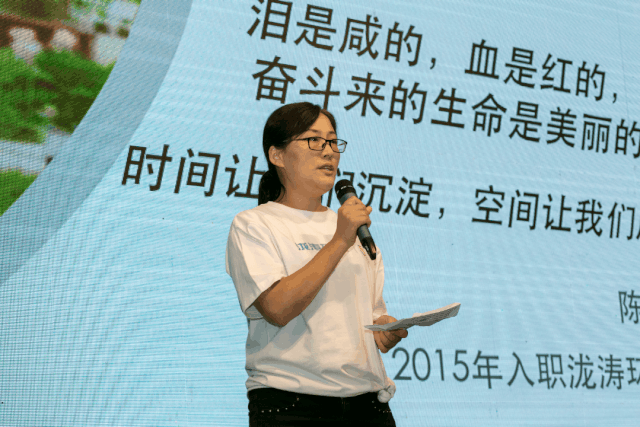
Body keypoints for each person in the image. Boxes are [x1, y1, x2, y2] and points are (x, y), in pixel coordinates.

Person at [225, 102, 408, 426]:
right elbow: (277, 308)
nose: (329, 151)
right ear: (277, 155)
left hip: (368, 405)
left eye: (334, 142)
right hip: (293, 407)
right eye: (314, 140)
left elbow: (371, 317)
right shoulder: (255, 224)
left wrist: (384, 330)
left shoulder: (354, 229)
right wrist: (339, 241)